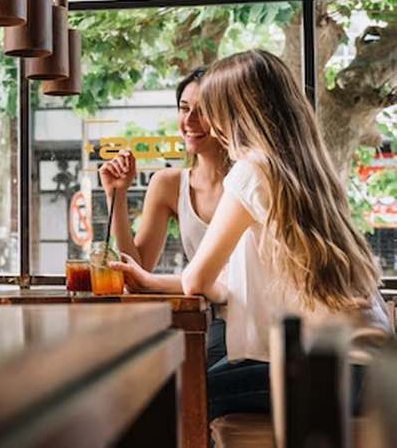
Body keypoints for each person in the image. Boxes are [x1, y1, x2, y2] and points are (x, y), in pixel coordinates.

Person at [111, 50, 391, 420]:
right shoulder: (304, 168)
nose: (209, 124)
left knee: (161, 404)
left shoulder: (251, 171)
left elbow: (197, 280)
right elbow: (224, 284)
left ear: (238, 112)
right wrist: (149, 281)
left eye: (214, 110)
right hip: (367, 371)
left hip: (326, 372)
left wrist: (161, 282)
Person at [100, 67, 231, 366]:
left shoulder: (249, 179)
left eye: (203, 111)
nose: (189, 121)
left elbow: (231, 279)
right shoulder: (168, 184)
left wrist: (151, 282)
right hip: (210, 327)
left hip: (252, 322)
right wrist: (116, 196)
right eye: (184, 109)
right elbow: (137, 269)